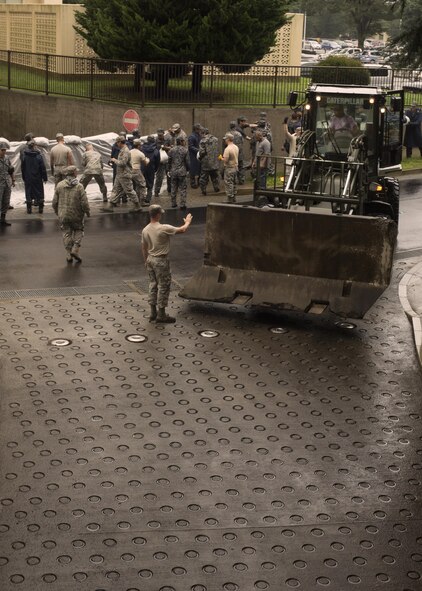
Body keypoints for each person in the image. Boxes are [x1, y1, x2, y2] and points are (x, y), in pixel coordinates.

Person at [141, 204, 193, 323]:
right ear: (158, 214)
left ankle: (153, 312)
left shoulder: (145, 229)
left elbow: (143, 247)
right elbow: (182, 229)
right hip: (161, 260)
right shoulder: (163, 228)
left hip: (150, 259)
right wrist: (188, 221)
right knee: (163, 286)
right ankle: (162, 314)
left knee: (152, 285)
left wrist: (145, 261)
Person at [52, 165, 90, 263]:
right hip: (76, 214)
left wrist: (57, 212)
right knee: (78, 230)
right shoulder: (79, 186)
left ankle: (69, 253)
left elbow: (54, 202)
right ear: (74, 173)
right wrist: (87, 211)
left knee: (66, 233)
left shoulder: (59, 185)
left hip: (63, 214)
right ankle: (75, 249)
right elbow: (84, 202)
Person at [102, 137, 141, 212]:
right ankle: (110, 206)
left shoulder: (125, 151)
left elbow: (123, 163)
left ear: (120, 142)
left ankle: (137, 205)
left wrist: (114, 160)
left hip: (125, 174)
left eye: (117, 142)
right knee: (115, 190)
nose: (117, 144)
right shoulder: (122, 150)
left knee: (129, 190)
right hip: (120, 174)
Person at [21, 139, 47, 214]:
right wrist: (44, 178)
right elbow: (42, 168)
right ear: (34, 146)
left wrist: (24, 177)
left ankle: (29, 209)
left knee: (28, 191)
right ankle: (40, 208)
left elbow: (23, 168)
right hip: (37, 177)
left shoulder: (24, 156)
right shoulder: (38, 156)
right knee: (39, 192)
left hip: (28, 177)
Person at [168, 137, 190, 209]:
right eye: (183, 141)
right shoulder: (185, 150)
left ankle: (173, 203)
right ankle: (182, 204)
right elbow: (187, 162)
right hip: (182, 171)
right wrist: (188, 170)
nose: (184, 142)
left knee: (173, 187)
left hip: (173, 171)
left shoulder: (171, 150)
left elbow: (169, 161)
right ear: (181, 141)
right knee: (183, 188)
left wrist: (169, 170)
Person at [198, 128, 220, 195]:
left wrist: (200, 157)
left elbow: (202, 152)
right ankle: (216, 188)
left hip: (206, 162)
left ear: (203, 133)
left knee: (204, 177)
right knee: (215, 176)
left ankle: (203, 190)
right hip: (215, 161)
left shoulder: (203, 141)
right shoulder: (216, 139)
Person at [141, 135, 161, 204]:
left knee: (142, 184)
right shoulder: (156, 150)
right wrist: (155, 169)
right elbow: (158, 162)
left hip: (142, 168)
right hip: (151, 169)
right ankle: (148, 199)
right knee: (150, 185)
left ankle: (141, 198)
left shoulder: (142, 148)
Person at [130, 139, 149, 205]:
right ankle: (142, 201)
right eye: (140, 145)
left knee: (137, 185)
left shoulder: (129, 152)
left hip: (129, 170)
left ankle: (136, 199)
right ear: (138, 146)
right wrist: (148, 160)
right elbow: (145, 163)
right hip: (136, 170)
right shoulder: (140, 153)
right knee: (142, 184)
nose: (141, 147)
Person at [0, 142, 15, 226]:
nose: (4, 152)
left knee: (6, 201)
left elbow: (11, 170)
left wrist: (13, 180)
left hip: (7, 183)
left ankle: (3, 219)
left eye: (5, 150)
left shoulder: (7, 158)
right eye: (2, 150)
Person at [222, 133, 239, 204]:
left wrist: (221, 158)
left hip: (229, 168)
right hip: (235, 167)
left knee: (229, 183)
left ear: (228, 139)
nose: (225, 140)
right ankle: (234, 197)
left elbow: (225, 160)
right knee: (234, 183)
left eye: (225, 139)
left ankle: (229, 198)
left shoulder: (227, 149)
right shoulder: (236, 147)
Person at [153, 128, 168, 198]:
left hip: (167, 160)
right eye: (158, 135)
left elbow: (171, 147)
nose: (160, 136)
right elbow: (153, 151)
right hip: (160, 162)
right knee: (159, 177)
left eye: (161, 135)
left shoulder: (167, 140)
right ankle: (156, 191)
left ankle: (170, 190)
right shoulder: (155, 141)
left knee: (169, 176)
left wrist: (166, 148)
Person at [188, 124, 202, 188]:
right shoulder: (192, 136)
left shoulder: (199, 135)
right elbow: (190, 146)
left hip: (199, 154)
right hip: (193, 155)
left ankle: (199, 182)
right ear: (196, 129)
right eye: (199, 129)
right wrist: (198, 150)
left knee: (199, 168)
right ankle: (192, 183)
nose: (200, 130)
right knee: (193, 169)